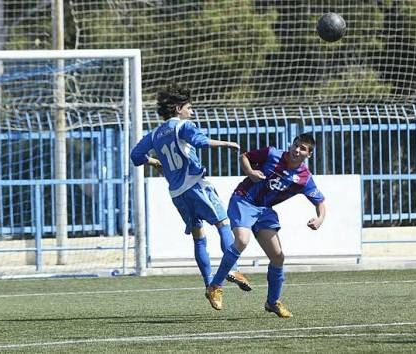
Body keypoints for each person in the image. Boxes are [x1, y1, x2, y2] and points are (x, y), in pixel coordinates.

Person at [130, 84, 252, 309]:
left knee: (198, 237)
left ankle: (209, 286)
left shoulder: (155, 134)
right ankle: (232, 270)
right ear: (178, 109)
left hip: (177, 193)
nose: (192, 112)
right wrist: (227, 143)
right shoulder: (183, 126)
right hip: (196, 186)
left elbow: (135, 156)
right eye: (189, 108)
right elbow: (200, 142)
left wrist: (155, 161)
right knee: (223, 223)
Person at [206, 133, 327, 318]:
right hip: (243, 200)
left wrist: (319, 219)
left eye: (303, 148)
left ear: (308, 154)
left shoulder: (304, 178)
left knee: (278, 257)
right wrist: (250, 172)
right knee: (242, 240)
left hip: (264, 211)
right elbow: (244, 156)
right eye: (296, 145)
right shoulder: (272, 154)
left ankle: (272, 302)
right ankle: (214, 286)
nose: (297, 150)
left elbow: (320, 202)